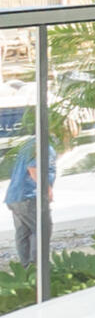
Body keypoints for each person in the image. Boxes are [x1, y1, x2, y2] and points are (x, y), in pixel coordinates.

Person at [3, 113, 47, 269]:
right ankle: (37, 266)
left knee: (23, 232)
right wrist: (47, 191)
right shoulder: (43, 146)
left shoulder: (28, 144)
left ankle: (26, 267)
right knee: (41, 228)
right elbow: (33, 169)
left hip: (14, 197)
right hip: (28, 196)